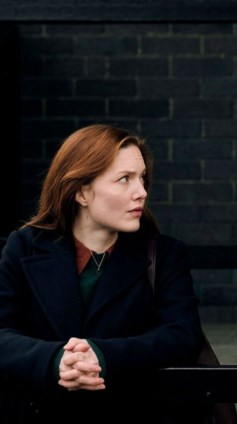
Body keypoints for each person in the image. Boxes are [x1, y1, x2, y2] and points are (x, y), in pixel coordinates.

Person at [0, 124, 207, 423]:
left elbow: (182, 336)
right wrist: (55, 359)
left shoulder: (164, 253)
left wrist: (102, 355)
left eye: (142, 178)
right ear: (81, 192)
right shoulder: (23, 247)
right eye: (124, 179)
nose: (142, 192)